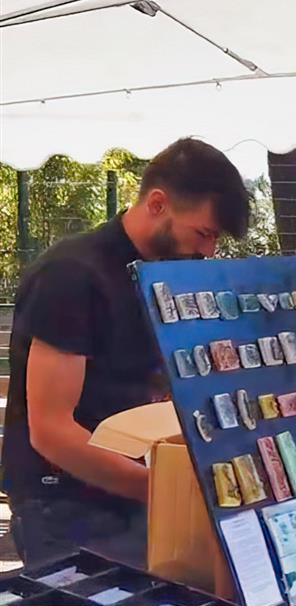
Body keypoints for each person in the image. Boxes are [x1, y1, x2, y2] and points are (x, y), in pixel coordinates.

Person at [3, 137, 250, 565]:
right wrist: (165, 490)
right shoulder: (72, 274)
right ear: (157, 204)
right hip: (66, 507)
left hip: (132, 496)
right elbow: (50, 431)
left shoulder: (166, 273)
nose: (209, 251)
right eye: (204, 233)